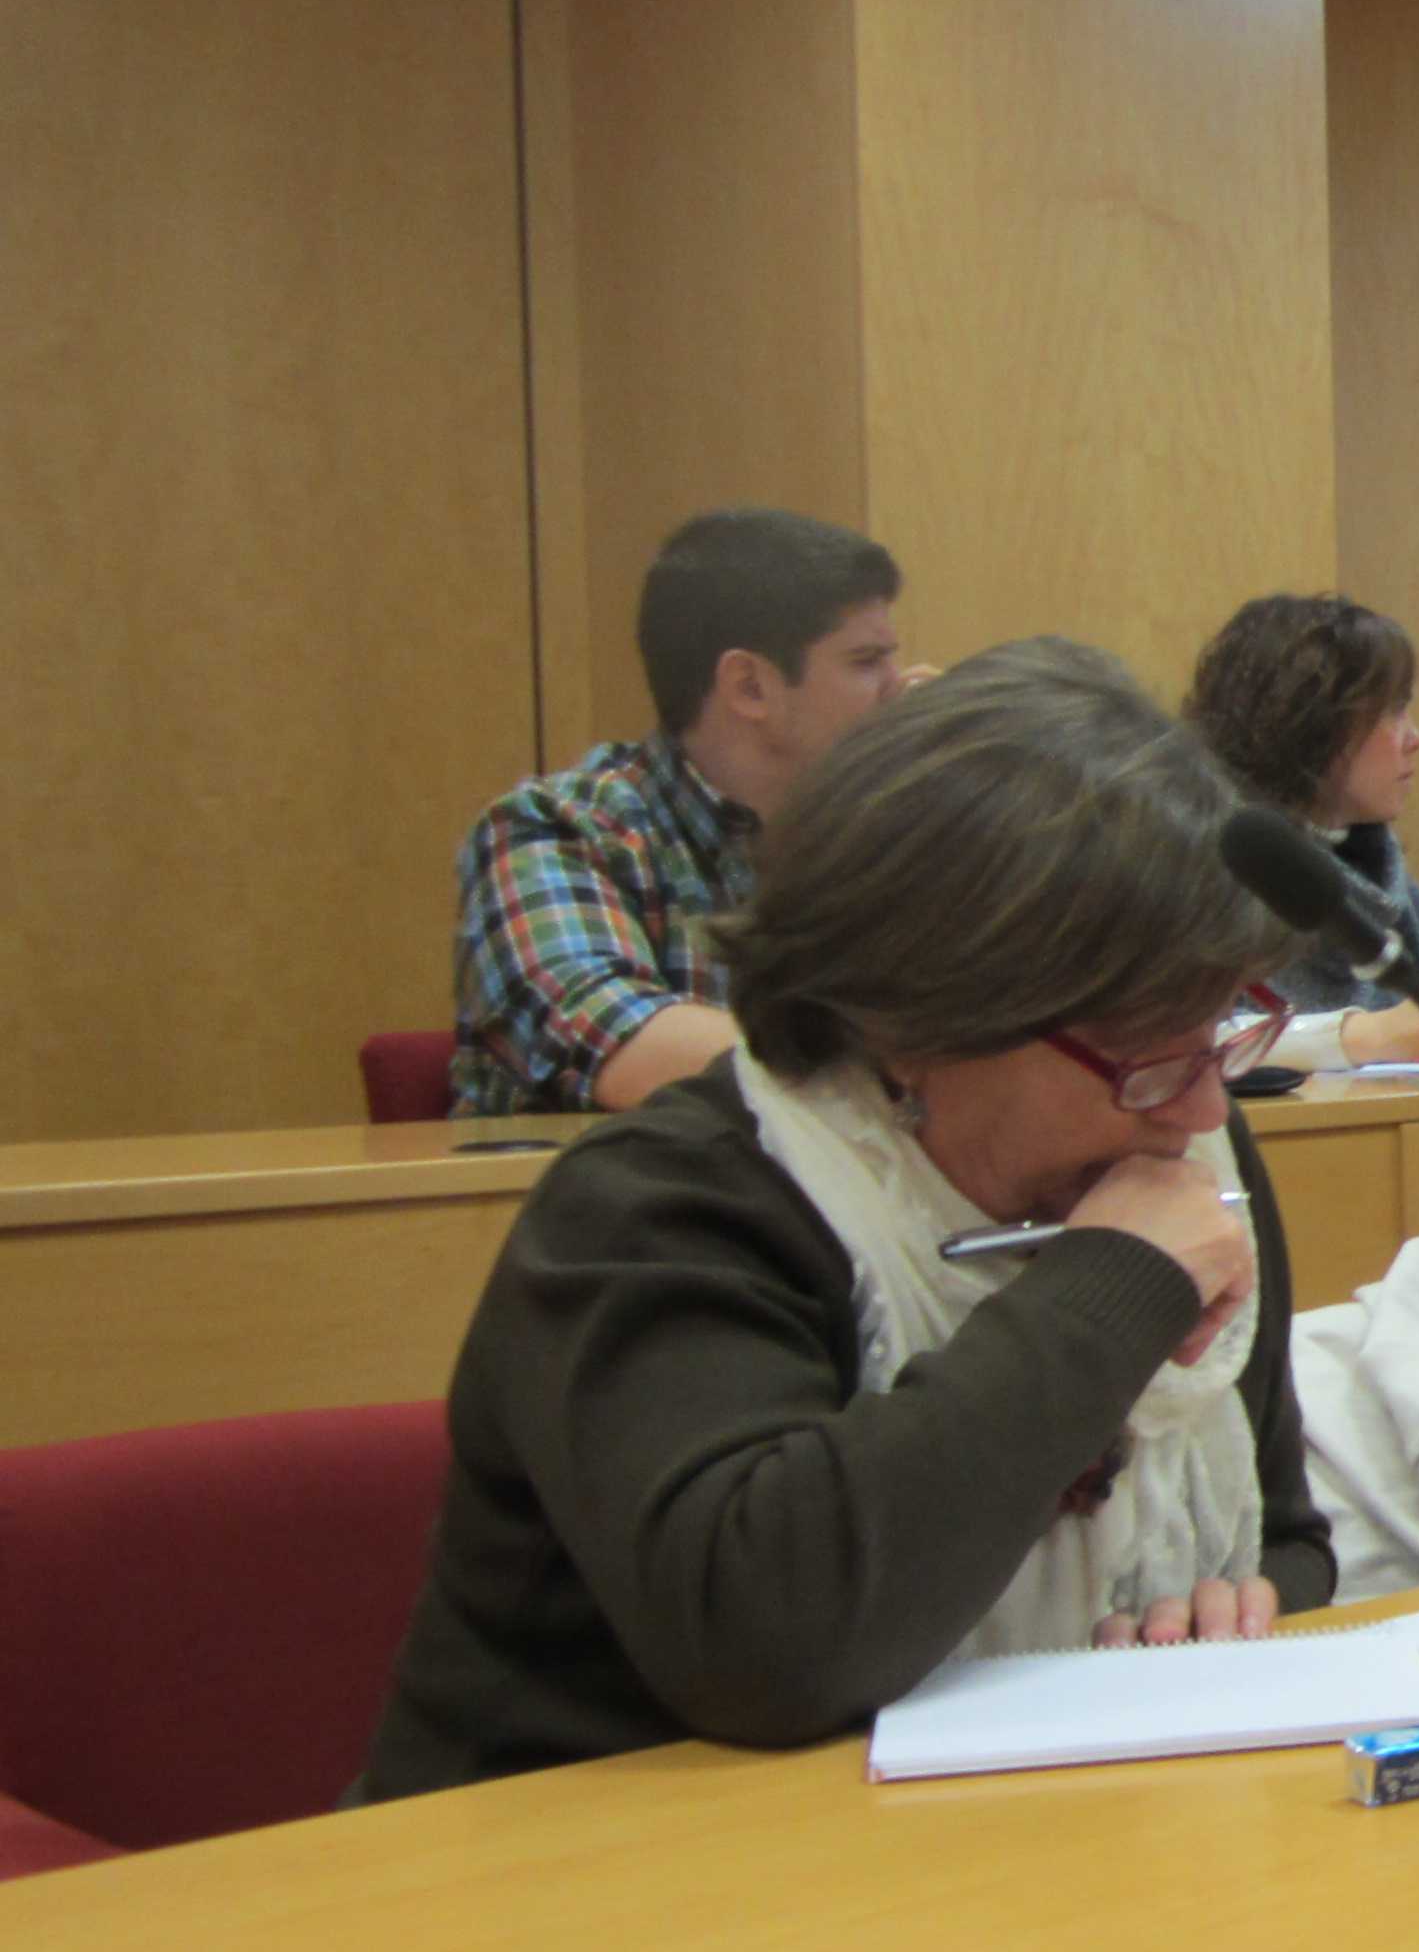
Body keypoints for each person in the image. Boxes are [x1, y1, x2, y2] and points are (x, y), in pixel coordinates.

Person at [356, 640, 1336, 1801]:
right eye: (1142, 1058)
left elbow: (1287, 1534)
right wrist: (1111, 1284)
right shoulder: (661, 1208)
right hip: (583, 1863)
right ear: (915, 1015)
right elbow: (770, 1646)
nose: (1204, 1106)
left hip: (1012, 1842)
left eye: (1217, 1033)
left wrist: (1233, 1610)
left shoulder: (1187, 1144)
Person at [449, 507, 912, 1115]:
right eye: (866, 661)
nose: (900, 687)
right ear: (749, 686)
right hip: (631, 1175)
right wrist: (907, 1067)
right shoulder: (557, 829)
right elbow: (625, 1046)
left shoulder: (882, 829)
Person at [1181, 591, 1419, 1062]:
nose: (1415, 738)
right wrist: (1368, 1037)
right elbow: (1181, 1046)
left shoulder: (1401, 895)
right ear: (1314, 722)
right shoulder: (1202, 876)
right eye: (1394, 710)